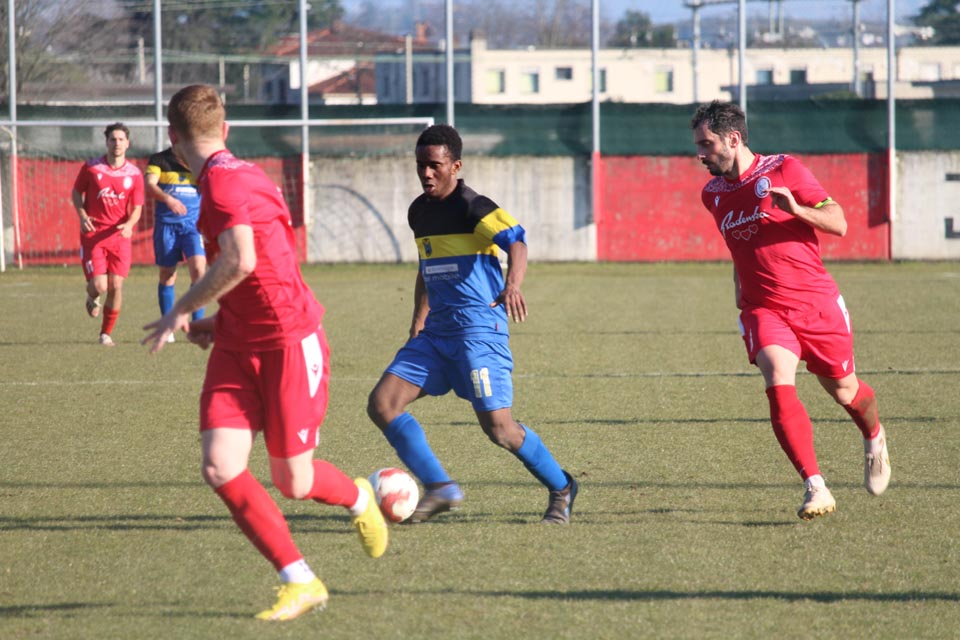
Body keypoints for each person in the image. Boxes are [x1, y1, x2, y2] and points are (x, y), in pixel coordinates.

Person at [142, 84, 388, 621]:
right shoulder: (237, 177)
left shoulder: (227, 186)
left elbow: (244, 262)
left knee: (293, 482)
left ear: (172, 140)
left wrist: (181, 308)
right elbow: (272, 263)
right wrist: (222, 320)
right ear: (224, 130)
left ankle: (358, 497)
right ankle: (300, 580)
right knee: (219, 466)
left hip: (288, 342)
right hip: (237, 342)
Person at [367, 124, 578, 525]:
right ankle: (440, 487)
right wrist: (418, 319)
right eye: (420, 166)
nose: (426, 173)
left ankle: (562, 487)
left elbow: (517, 240)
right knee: (383, 404)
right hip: (437, 335)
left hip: (479, 333)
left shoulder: (473, 206)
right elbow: (427, 266)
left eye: (435, 165)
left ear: (455, 166)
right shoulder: (419, 211)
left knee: (500, 430)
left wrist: (512, 283)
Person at [690, 100, 891, 520]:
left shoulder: (785, 170)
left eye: (707, 144)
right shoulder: (712, 194)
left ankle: (874, 435)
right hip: (764, 309)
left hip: (815, 304)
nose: (701, 154)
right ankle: (815, 486)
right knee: (777, 376)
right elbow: (740, 250)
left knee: (845, 393)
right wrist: (739, 294)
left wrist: (797, 210)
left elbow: (839, 222)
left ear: (733, 138)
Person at [71, 122, 145, 346]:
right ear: (106, 142)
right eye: (113, 139)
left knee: (117, 286)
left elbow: (138, 207)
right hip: (94, 235)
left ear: (128, 143)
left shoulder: (134, 174)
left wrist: (130, 224)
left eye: (121, 139)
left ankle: (105, 334)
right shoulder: (92, 168)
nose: (117, 143)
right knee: (101, 286)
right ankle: (92, 295)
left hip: (120, 237)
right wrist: (83, 216)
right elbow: (76, 192)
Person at [145, 146, 207, 340]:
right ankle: (167, 326)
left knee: (199, 272)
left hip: (193, 227)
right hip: (167, 227)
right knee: (167, 275)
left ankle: (197, 326)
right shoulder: (159, 160)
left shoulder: (199, 160)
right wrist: (168, 199)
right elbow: (149, 185)